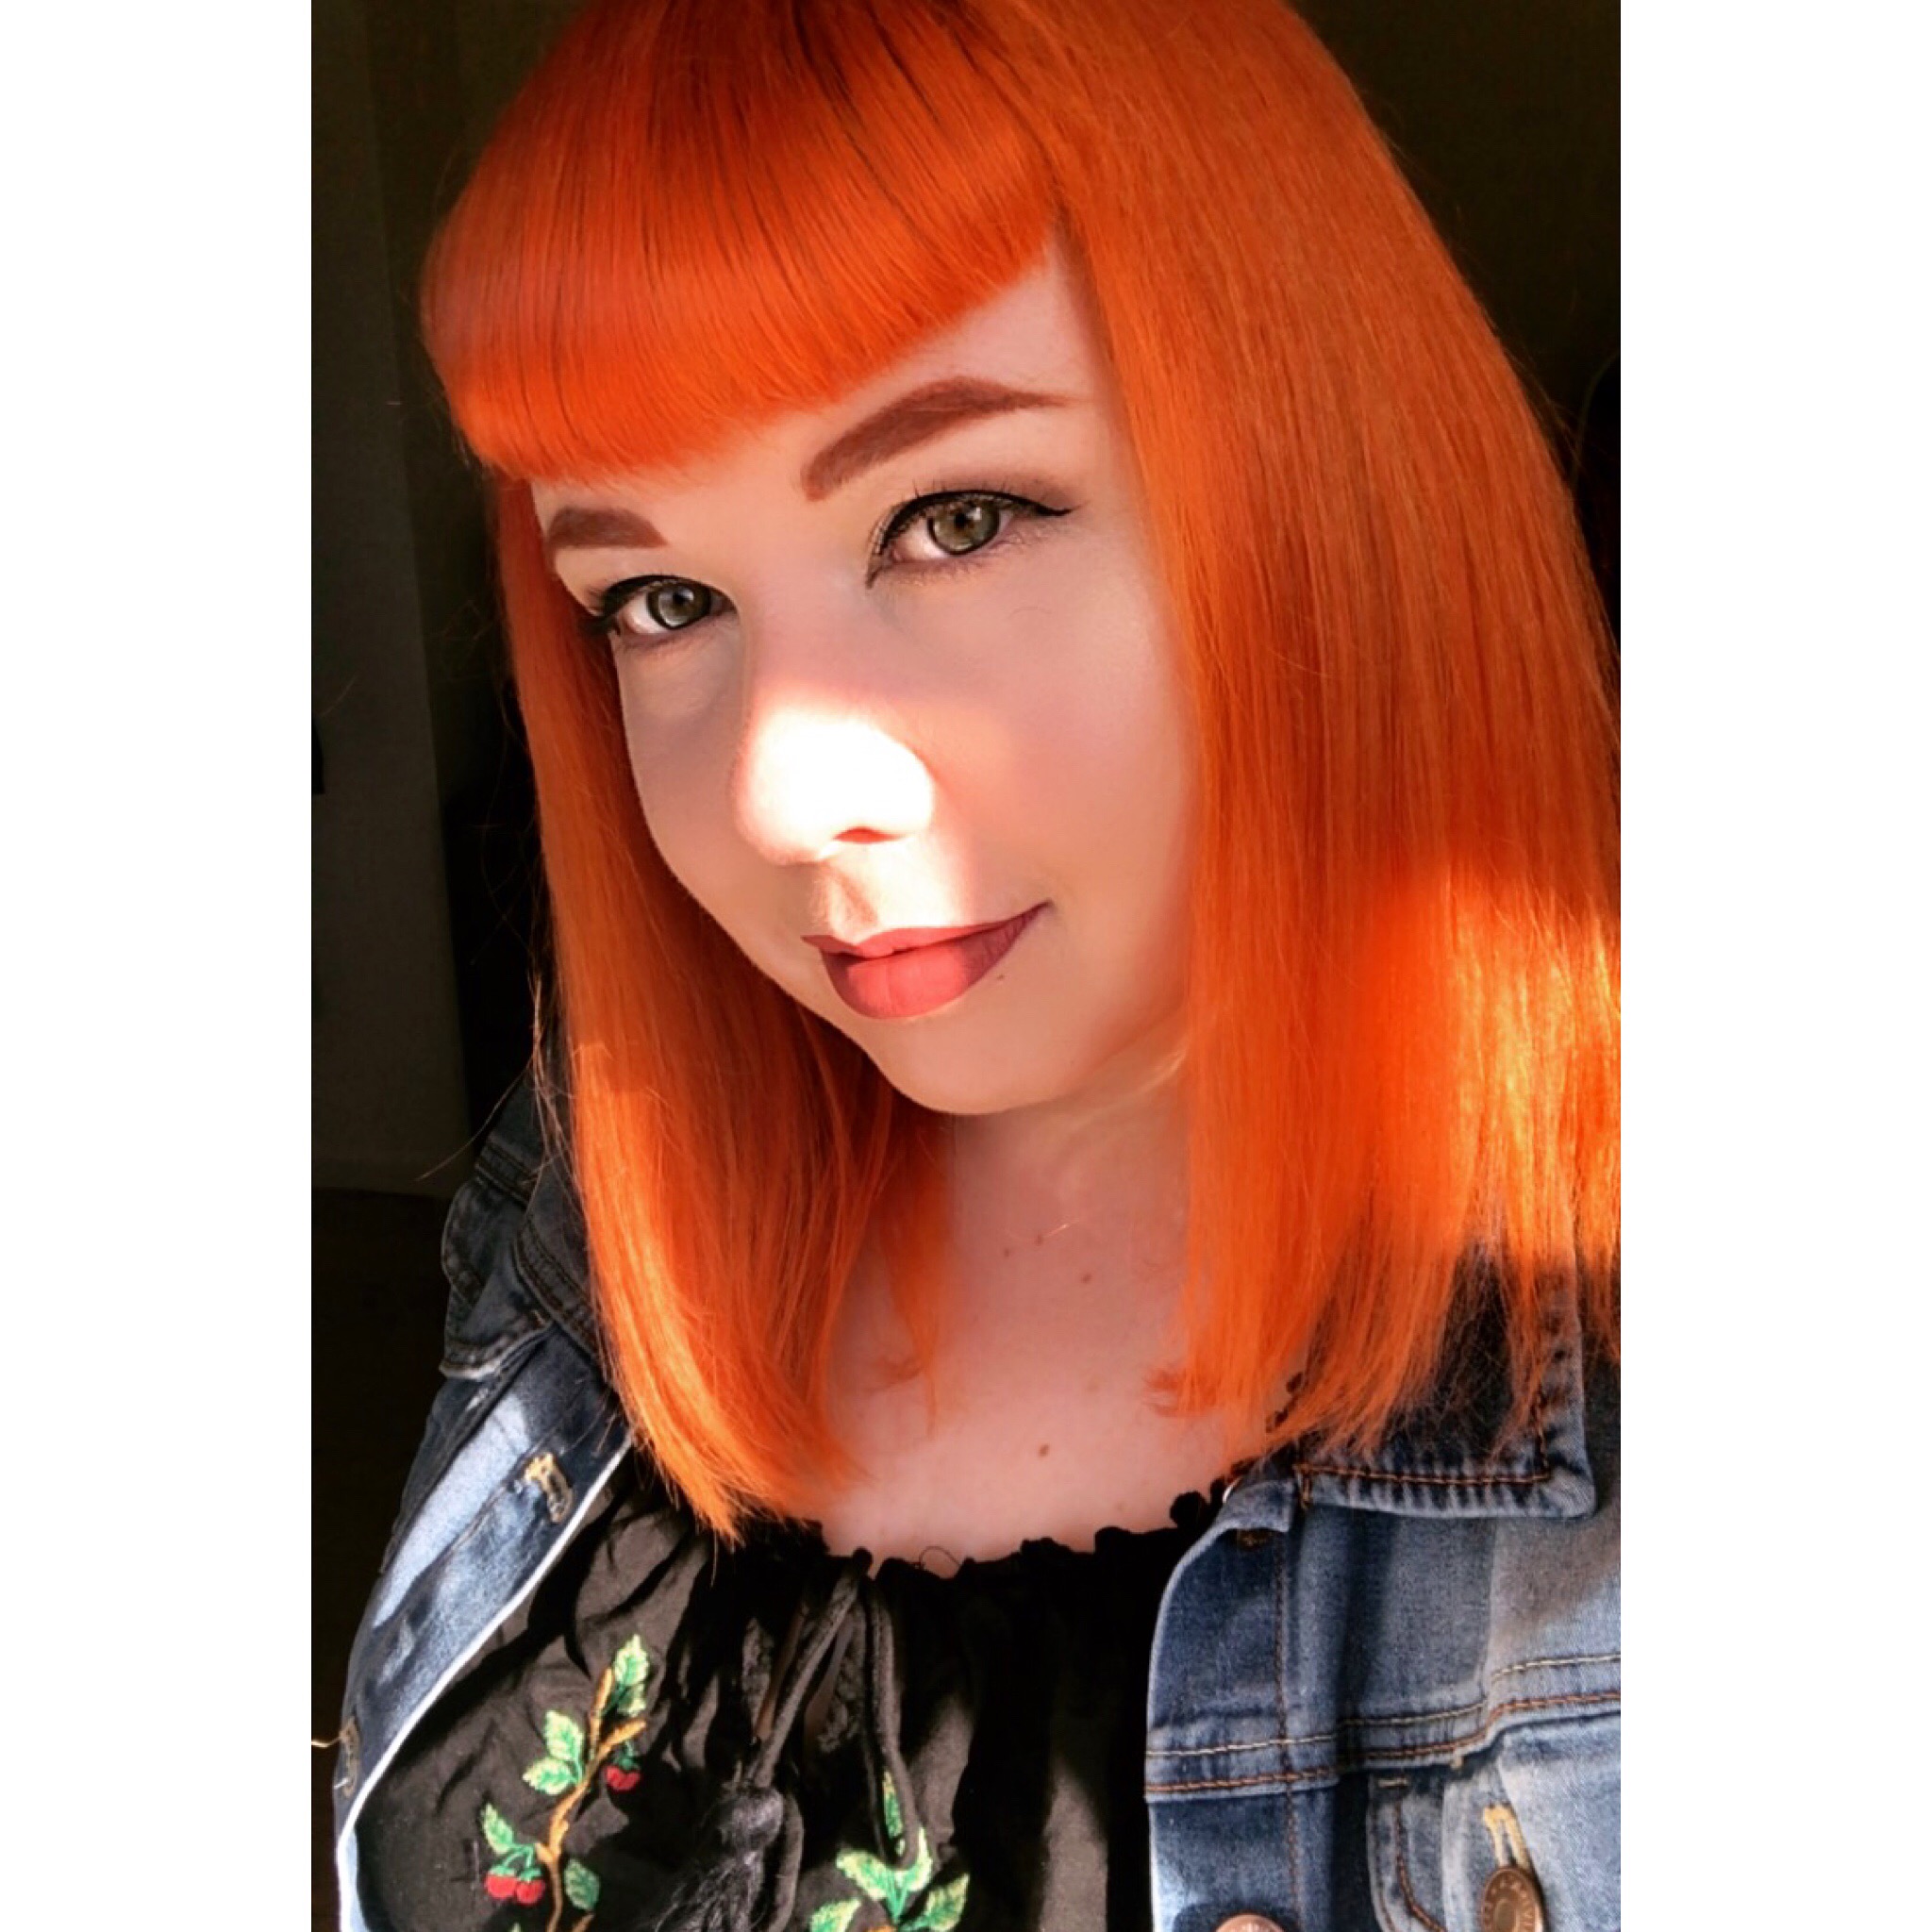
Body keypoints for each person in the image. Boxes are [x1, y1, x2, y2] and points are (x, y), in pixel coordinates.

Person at [332, 1, 1620, 1928]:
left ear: (1333, 485)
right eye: (661, 599)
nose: (778, 794)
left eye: (956, 518)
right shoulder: (582, 1198)